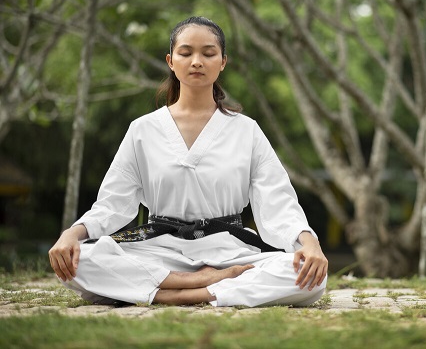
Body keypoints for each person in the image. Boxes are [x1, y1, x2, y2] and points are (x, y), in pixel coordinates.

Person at [48, 16, 328, 307]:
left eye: (208, 53)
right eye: (186, 53)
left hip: (229, 251)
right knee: (78, 260)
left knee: (311, 278)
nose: (197, 61)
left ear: (222, 62)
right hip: (159, 250)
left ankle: (172, 294)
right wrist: (72, 234)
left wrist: (310, 244)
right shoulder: (143, 130)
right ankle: (196, 284)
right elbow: (112, 204)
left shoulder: (247, 130)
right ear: (171, 61)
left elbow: (277, 202)